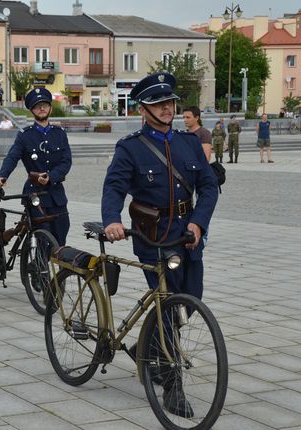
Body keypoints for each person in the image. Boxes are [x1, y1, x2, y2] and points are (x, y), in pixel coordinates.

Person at [102, 72, 218, 418]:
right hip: (152, 237)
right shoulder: (131, 148)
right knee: (168, 307)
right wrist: (111, 219)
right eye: (158, 103)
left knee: (189, 302)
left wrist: (198, 222)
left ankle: (145, 345)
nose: (167, 108)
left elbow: (209, 186)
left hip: (188, 237)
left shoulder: (189, 143)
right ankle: (171, 386)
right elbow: (114, 187)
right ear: (143, 108)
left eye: (169, 102)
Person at [0, 87, 72, 246]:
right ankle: (38, 267)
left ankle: (47, 265)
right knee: (42, 236)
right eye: (37, 106)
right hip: (34, 194)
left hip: (56, 194)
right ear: (32, 110)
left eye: (45, 105)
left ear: (50, 107)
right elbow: (12, 157)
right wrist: (2, 176)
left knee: (61, 236)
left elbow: (66, 161)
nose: (41, 108)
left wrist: (51, 177)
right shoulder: (25, 135)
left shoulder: (59, 133)